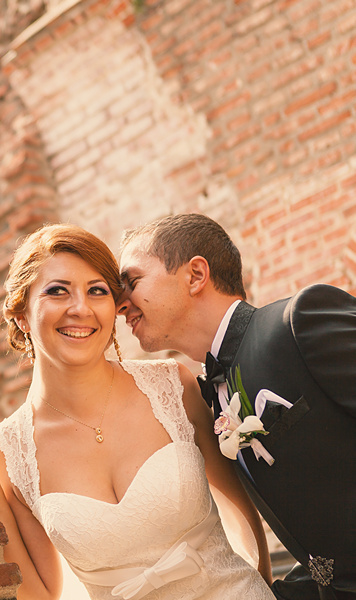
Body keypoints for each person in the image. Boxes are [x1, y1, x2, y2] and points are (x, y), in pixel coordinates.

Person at [0, 223, 274, 600]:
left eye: (97, 291)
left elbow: (245, 518)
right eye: (57, 291)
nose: (80, 309)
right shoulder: (10, 449)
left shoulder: (173, 387)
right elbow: (42, 595)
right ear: (21, 315)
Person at [117, 213, 356, 600]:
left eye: (132, 282)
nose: (119, 304)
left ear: (195, 275)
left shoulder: (299, 321)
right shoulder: (211, 401)